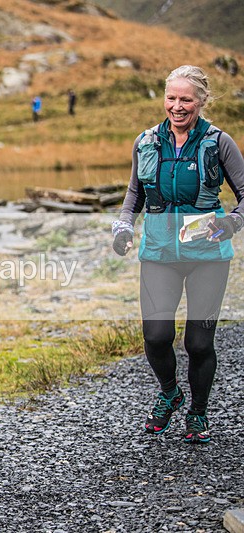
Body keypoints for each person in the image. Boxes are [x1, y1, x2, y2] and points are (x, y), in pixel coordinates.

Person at [112, 65, 244, 443]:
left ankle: (198, 413)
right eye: (171, 97)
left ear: (201, 101)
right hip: (158, 252)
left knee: (199, 343)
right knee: (155, 336)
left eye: (186, 99)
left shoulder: (219, 142)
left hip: (208, 254)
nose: (177, 106)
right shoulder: (147, 141)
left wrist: (232, 223)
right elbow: (134, 193)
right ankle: (170, 392)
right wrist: (124, 225)